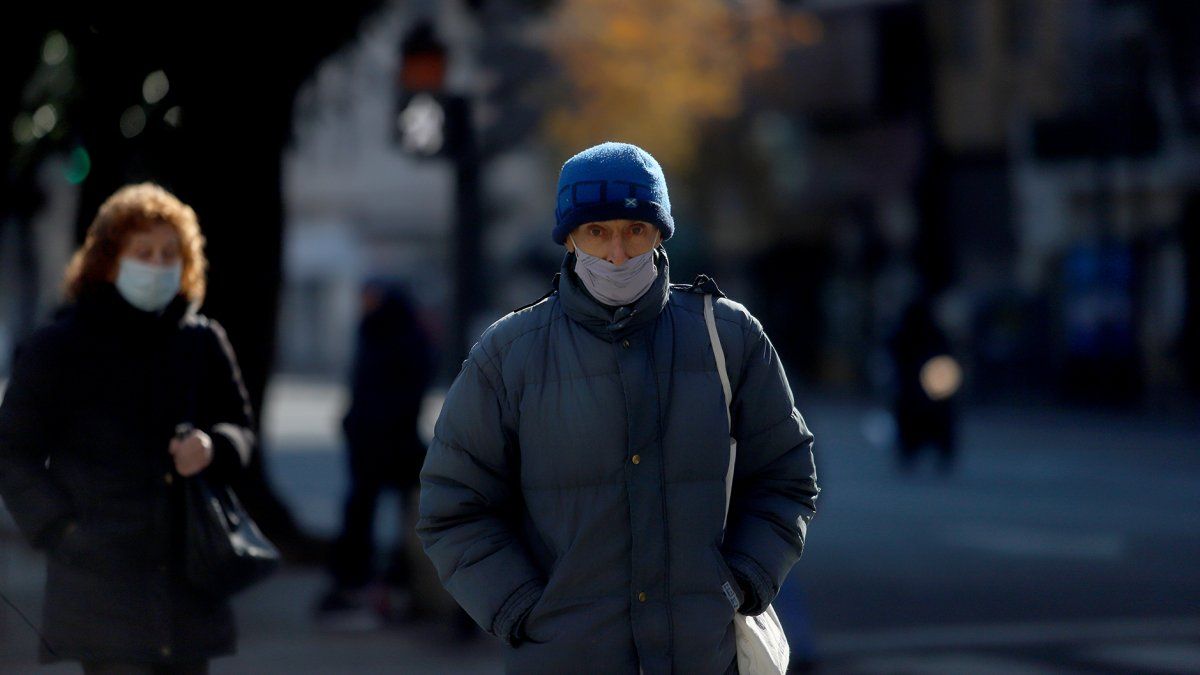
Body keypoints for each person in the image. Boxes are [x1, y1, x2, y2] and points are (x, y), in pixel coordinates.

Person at [418, 142, 821, 674]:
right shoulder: (508, 353)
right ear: (570, 238)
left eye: (635, 230)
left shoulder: (729, 336)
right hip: (564, 660)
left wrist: (743, 580)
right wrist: (520, 610)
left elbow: (784, 477)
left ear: (659, 233)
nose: (617, 253)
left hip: (702, 657)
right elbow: (454, 505)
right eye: (597, 231)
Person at [0, 183, 255, 674]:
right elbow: (13, 451)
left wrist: (213, 446)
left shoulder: (202, 341)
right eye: (144, 253)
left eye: (169, 254)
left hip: (188, 586)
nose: (158, 266)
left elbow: (240, 430)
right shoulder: (59, 346)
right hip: (101, 588)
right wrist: (62, 528)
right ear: (109, 260)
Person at [317, 279, 437, 628]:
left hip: (394, 443)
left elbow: (406, 392)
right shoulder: (371, 332)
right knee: (359, 514)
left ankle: (403, 582)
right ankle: (354, 580)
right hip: (367, 445)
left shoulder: (407, 339)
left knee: (407, 518)